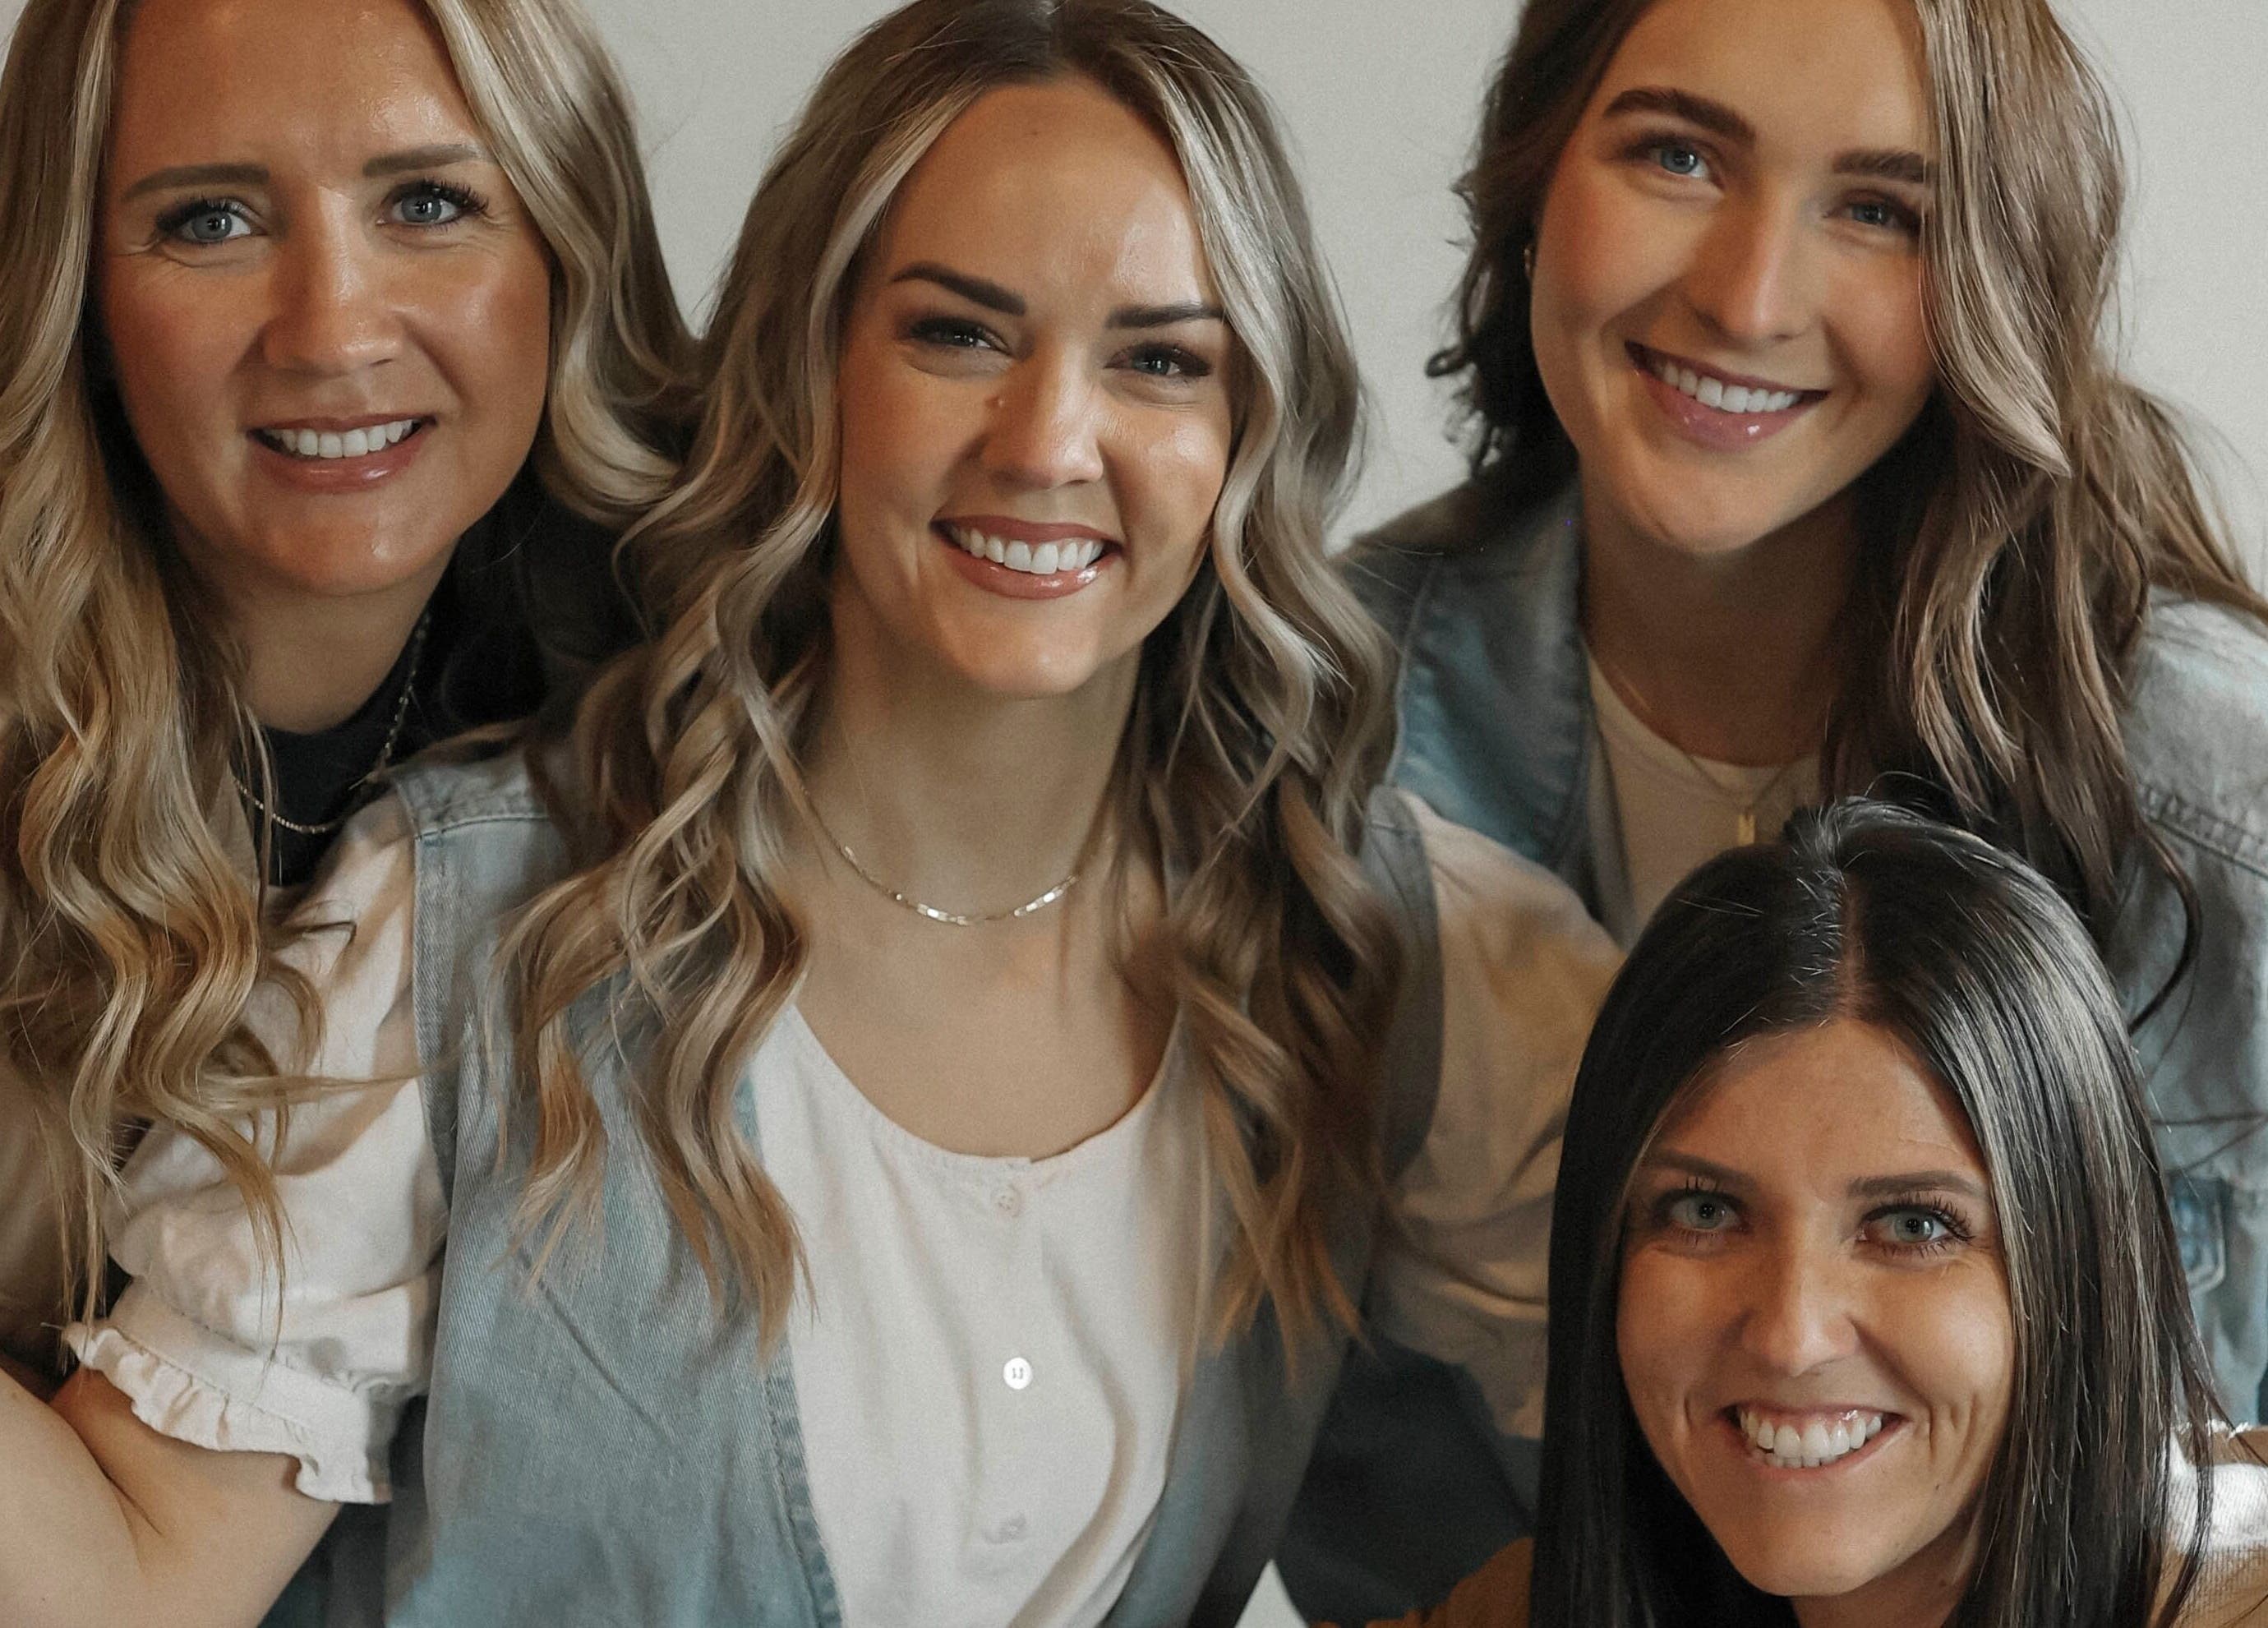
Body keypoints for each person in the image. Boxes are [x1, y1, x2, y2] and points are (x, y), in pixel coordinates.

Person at [0, 2, 1618, 1624]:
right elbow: (134, 1576)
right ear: (810, 363)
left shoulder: (1389, 944)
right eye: (956, 335)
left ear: (1244, 429)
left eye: (1159, 358)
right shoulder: (469, 918)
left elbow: (1755, 1432)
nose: (1049, 440)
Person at [1347, 0, 2268, 1428]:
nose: (1749, 296)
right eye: (1678, 158)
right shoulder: (1308, 731)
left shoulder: (2217, 795)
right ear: (1533, 175)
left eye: (1882, 211)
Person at [0, 0, 689, 1394]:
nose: (329, 331)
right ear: (77, 293)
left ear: (568, 246)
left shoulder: (662, 696)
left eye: (428, 201)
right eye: (209, 221)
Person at [1358, 801, 2268, 1626]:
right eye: (1705, 1209)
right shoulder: (1560, 1602)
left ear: (2084, 1262)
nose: (1790, 1336)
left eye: (1913, 1225)